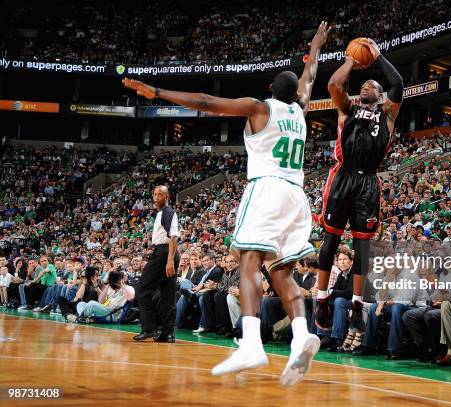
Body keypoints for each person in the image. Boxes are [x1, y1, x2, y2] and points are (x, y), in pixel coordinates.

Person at [123, 21, 332, 386]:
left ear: (270, 91)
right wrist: (315, 47)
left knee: (249, 260)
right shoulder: (300, 109)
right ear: (295, 92)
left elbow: (206, 103)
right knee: (282, 271)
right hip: (297, 195)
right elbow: (310, 74)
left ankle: (251, 342)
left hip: (266, 189)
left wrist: (157, 91)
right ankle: (301, 335)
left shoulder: (259, 107)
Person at [315, 38, 404, 334]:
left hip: (368, 180)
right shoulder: (347, 108)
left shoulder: (387, 114)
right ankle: (322, 298)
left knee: (362, 246)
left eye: (372, 86)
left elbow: (398, 84)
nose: (366, 87)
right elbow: (333, 86)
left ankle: (356, 303)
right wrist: (352, 60)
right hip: (343, 176)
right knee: (330, 240)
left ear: (380, 97)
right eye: (363, 85)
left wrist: (377, 56)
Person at [132, 185, 180, 342]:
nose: (156, 197)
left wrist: (170, 260)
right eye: (154, 194)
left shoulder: (168, 212)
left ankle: (148, 328)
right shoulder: (160, 213)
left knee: (142, 289)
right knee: (167, 294)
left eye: (160, 194)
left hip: (165, 254)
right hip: (164, 253)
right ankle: (168, 333)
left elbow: (173, 237)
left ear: (166, 197)